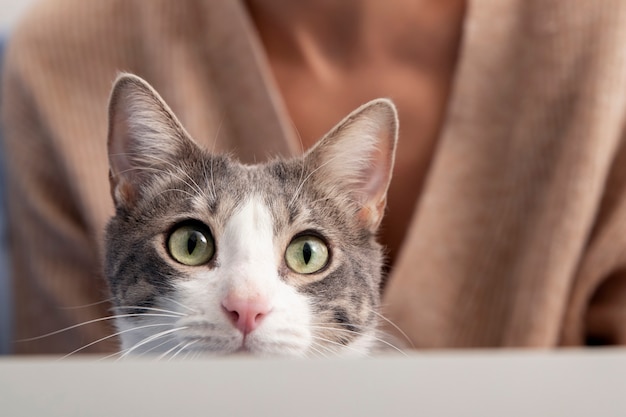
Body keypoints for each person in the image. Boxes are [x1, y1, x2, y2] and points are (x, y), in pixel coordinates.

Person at [2, 0, 626, 354]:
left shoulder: (606, 43)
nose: (245, 306)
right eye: (192, 243)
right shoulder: (54, 58)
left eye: (303, 253)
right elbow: (64, 380)